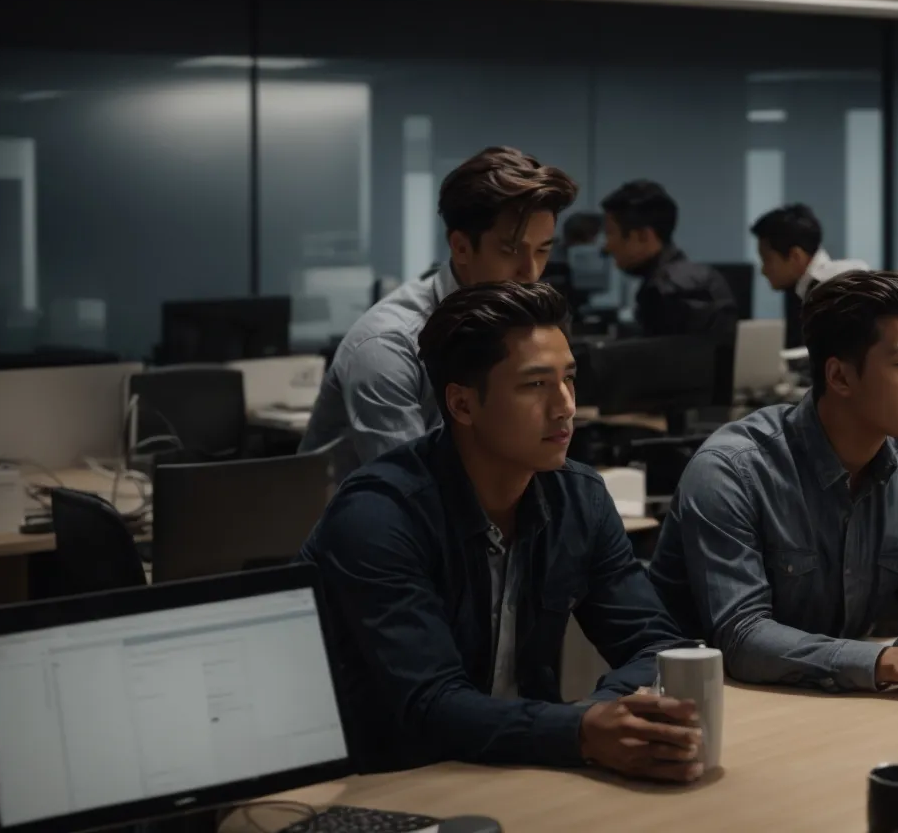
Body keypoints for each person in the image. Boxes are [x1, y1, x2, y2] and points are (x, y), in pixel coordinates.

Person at [300, 281, 706, 781]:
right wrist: (581, 728)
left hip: (525, 769)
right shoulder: (378, 519)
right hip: (390, 784)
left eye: (569, 380)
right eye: (535, 385)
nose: (564, 407)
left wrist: (603, 716)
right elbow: (431, 705)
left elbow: (656, 647)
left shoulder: (578, 498)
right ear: (463, 405)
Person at [648, 270, 898, 692]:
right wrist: (886, 663)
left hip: (832, 701)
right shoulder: (732, 470)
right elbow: (742, 637)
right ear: (839, 377)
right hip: (714, 709)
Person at [303, 146, 577, 477]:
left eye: (543, 250)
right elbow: (412, 491)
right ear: (461, 247)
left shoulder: (520, 329)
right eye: (511, 250)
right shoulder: (387, 345)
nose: (530, 272)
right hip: (369, 522)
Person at [600, 179, 737, 342]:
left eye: (610, 233)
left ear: (643, 236)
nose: (607, 247)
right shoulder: (678, 280)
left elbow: (668, 363)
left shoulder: (667, 291)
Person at [750, 203, 867, 348]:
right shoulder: (801, 287)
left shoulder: (831, 289)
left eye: (767, 260)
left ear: (795, 256)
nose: (763, 270)